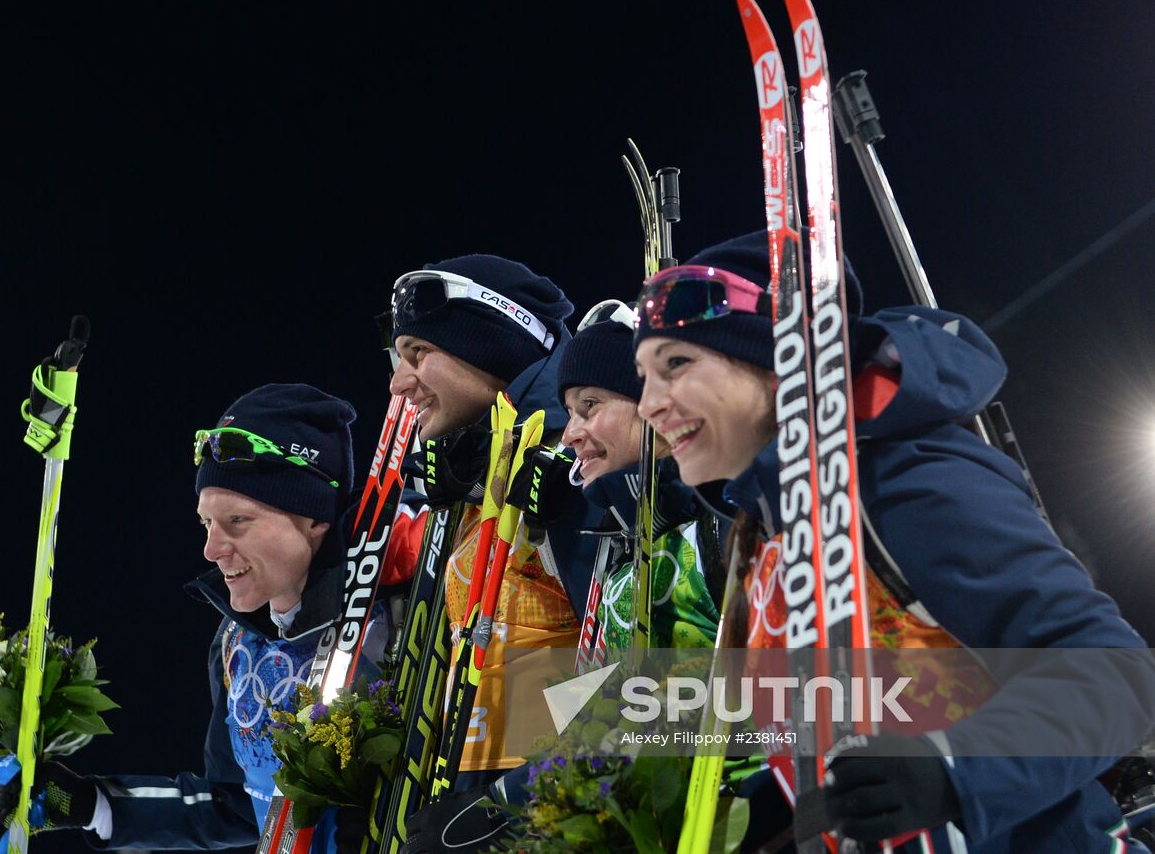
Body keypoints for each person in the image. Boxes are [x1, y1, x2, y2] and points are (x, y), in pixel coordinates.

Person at [633, 230, 1155, 853]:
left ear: (776, 366)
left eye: (677, 365)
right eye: (643, 377)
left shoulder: (900, 480)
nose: (648, 405)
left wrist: (954, 769)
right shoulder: (761, 538)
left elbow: (1114, 672)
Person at [0, 383, 411, 851]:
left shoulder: (396, 619)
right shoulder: (236, 642)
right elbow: (236, 804)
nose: (212, 550)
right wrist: (94, 804)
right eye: (206, 523)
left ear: (314, 517)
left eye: (238, 521)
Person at [384, 254, 596, 851]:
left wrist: (510, 805)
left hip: (561, 824)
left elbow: (648, 674)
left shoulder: (572, 469)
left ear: (492, 347)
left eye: (418, 353)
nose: (399, 383)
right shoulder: (474, 480)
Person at [558, 300, 719, 659]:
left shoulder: (719, 525)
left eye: (589, 405)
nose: (569, 434)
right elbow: (604, 685)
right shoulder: (616, 536)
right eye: (569, 413)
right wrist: (555, 714)